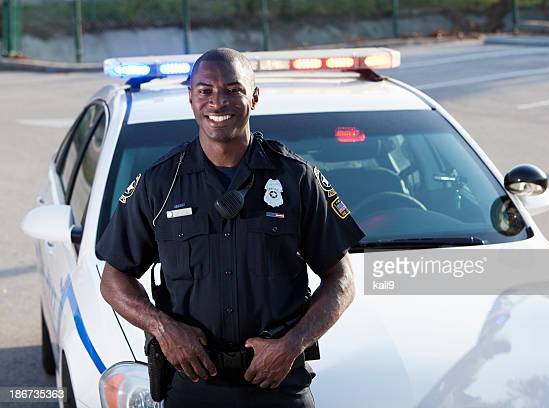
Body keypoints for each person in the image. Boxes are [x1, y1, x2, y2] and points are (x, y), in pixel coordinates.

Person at [96, 48, 365, 407]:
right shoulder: (159, 183)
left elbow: (341, 280)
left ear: (254, 96)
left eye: (232, 90)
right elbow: (113, 279)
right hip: (193, 386)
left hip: (279, 386)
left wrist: (292, 344)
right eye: (205, 90)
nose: (217, 102)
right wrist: (163, 328)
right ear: (190, 98)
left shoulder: (295, 178)